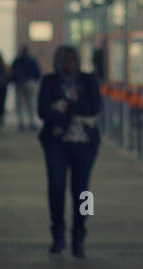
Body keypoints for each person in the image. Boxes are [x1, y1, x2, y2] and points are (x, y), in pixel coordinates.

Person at [37, 45, 103, 257]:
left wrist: (66, 107)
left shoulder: (88, 80)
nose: (69, 65)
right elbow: (43, 111)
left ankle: (80, 234)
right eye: (65, 61)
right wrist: (70, 112)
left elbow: (95, 106)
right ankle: (57, 232)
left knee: (83, 191)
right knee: (56, 186)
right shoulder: (49, 82)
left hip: (85, 144)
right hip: (56, 142)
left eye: (73, 61)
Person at [10, 45, 42, 132]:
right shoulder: (32, 60)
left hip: (20, 83)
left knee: (20, 103)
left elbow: (12, 71)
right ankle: (32, 122)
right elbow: (38, 72)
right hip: (31, 82)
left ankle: (21, 123)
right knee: (31, 103)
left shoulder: (17, 60)